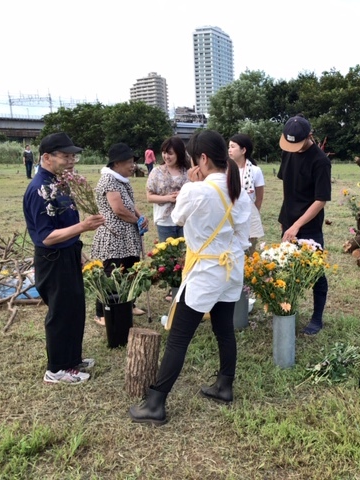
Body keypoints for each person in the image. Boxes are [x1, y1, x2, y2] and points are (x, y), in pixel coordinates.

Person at [129, 130, 251, 426]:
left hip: (205, 272)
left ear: (203, 159)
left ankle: (156, 403)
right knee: (224, 330)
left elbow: (176, 218)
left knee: (179, 338)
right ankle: (224, 386)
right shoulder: (239, 191)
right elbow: (243, 235)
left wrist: (192, 185)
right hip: (231, 269)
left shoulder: (197, 190)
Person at [23, 132, 105, 384]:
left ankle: (71, 359)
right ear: (47, 157)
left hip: (68, 253)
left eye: (73, 156)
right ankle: (56, 369)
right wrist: (83, 227)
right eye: (65, 156)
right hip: (53, 257)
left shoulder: (59, 183)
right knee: (61, 313)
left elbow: (64, 223)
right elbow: (46, 237)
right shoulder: (40, 189)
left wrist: (77, 250)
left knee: (74, 309)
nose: (71, 161)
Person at [277, 115, 331, 335]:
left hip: (309, 225)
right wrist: (285, 222)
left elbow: (320, 200)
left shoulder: (320, 161)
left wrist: (297, 225)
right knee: (287, 270)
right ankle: (289, 310)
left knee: (316, 272)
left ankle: (317, 318)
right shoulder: (288, 151)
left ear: (310, 136)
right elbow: (288, 186)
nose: (294, 148)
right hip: (287, 221)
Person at [90, 143, 149, 325]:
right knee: (112, 273)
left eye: (133, 161)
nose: (132, 166)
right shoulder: (108, 180)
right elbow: (118, 210)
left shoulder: (122, 180)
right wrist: (136, 220)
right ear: (116, 164)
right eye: (129, 162)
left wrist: (140, 216)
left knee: (130, 270)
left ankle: (129, 303)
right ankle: (102, 313)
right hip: (113, 235)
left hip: (128, 235)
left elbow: (129, 204)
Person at [145, 136, 191, 242]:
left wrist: (183, 194)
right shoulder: (156, 172)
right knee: (168, 256)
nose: (166, 156)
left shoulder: (189, 172)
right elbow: (149, 197)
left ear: (179, 154)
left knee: (184, 256)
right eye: (164, 153)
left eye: (170, 153)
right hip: (165, 222)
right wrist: (169, 198)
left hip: (185, 220)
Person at [228, 133, 265, 251]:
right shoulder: (225, 170)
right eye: (229, 147)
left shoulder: (255, 171)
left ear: (243, 150)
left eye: (233, 147)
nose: (229, 150)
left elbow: (259, 197)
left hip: (249, 215)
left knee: (249, 252)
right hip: (230, 214)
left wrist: (253, 213)